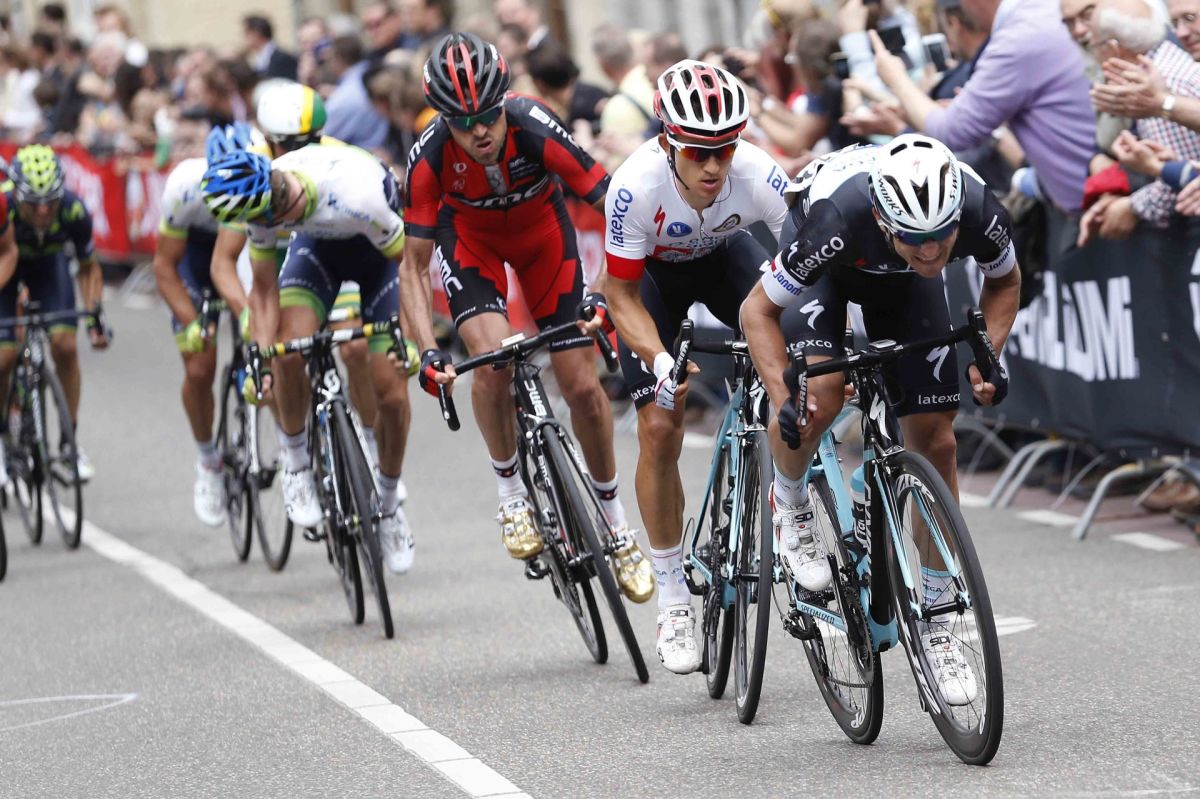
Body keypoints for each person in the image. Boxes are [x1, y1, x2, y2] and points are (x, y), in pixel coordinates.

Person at [739, 134, 1021, 706]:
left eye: (942, 236)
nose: (931, 251)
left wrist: (989, 352)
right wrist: (783, 395)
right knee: (819, 396)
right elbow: (756, 310)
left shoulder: (977, 210)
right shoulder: (838, 219)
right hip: (831, 269)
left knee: (937, 442)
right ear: (883, 218)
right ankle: (789, 500)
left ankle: (939, 618)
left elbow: (1005, 281)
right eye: (915, 238)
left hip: (903, 289)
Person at [400, 33, 652, 601]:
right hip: (471, 244)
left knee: (583, 388)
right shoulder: (430, 156)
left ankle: (615, 524)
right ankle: (511, 492)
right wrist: (427, 351)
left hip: (543, 237)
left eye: (489, 115)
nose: (480, 131)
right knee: (492, 364)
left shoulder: (534, 123)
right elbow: (412, 267)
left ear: (504, 102)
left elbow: (614, 206)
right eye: (464, 122)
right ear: (443, 119)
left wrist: (603, 290)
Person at [601, 60, 790, 674]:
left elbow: (806, 266)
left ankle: (796, 506)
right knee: (660, 425)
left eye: (725, 150)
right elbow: (620, 295)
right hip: (653, 282)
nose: (714, 166)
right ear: (667, 143)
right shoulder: (634, 186)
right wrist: (659, 361)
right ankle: (673, 593)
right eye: (698, 152)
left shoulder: (758, 174)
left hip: (727, 259)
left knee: (793, 357)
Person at [208, 82, 409, 570]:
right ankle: (296, 462)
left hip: (375, 255)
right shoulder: (261, 191)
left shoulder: (358, 189)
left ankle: (389, 501)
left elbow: (411, 269)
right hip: (316, 253)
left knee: (390, 388)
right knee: (288, 350)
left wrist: (418, 339)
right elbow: (262, 287)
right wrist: (261, 355)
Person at [152, 122, 261, 526]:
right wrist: (193, 322)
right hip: (194, 265)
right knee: (199, 366)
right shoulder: (184, 185)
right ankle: (208, 460)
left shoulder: (265, 181)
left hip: (245, 253)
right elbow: (164, 267)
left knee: (265, 344)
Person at [0, 145, 109, 482]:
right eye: (34, 203)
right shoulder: (5, 208)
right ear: (17, 194)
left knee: (65, 345)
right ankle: (2, 439)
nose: (44, 210)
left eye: (51, 201)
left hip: (49, 269)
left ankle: (68, 443)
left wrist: (94, 316)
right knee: (3, 358)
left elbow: (89, 268)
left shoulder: (74, 210)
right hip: (6, 271)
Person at [243, 15, 298, 81]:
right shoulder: (258, 59)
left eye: (247, 34)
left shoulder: (283, 59)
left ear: (256, 34)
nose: (245, 38)